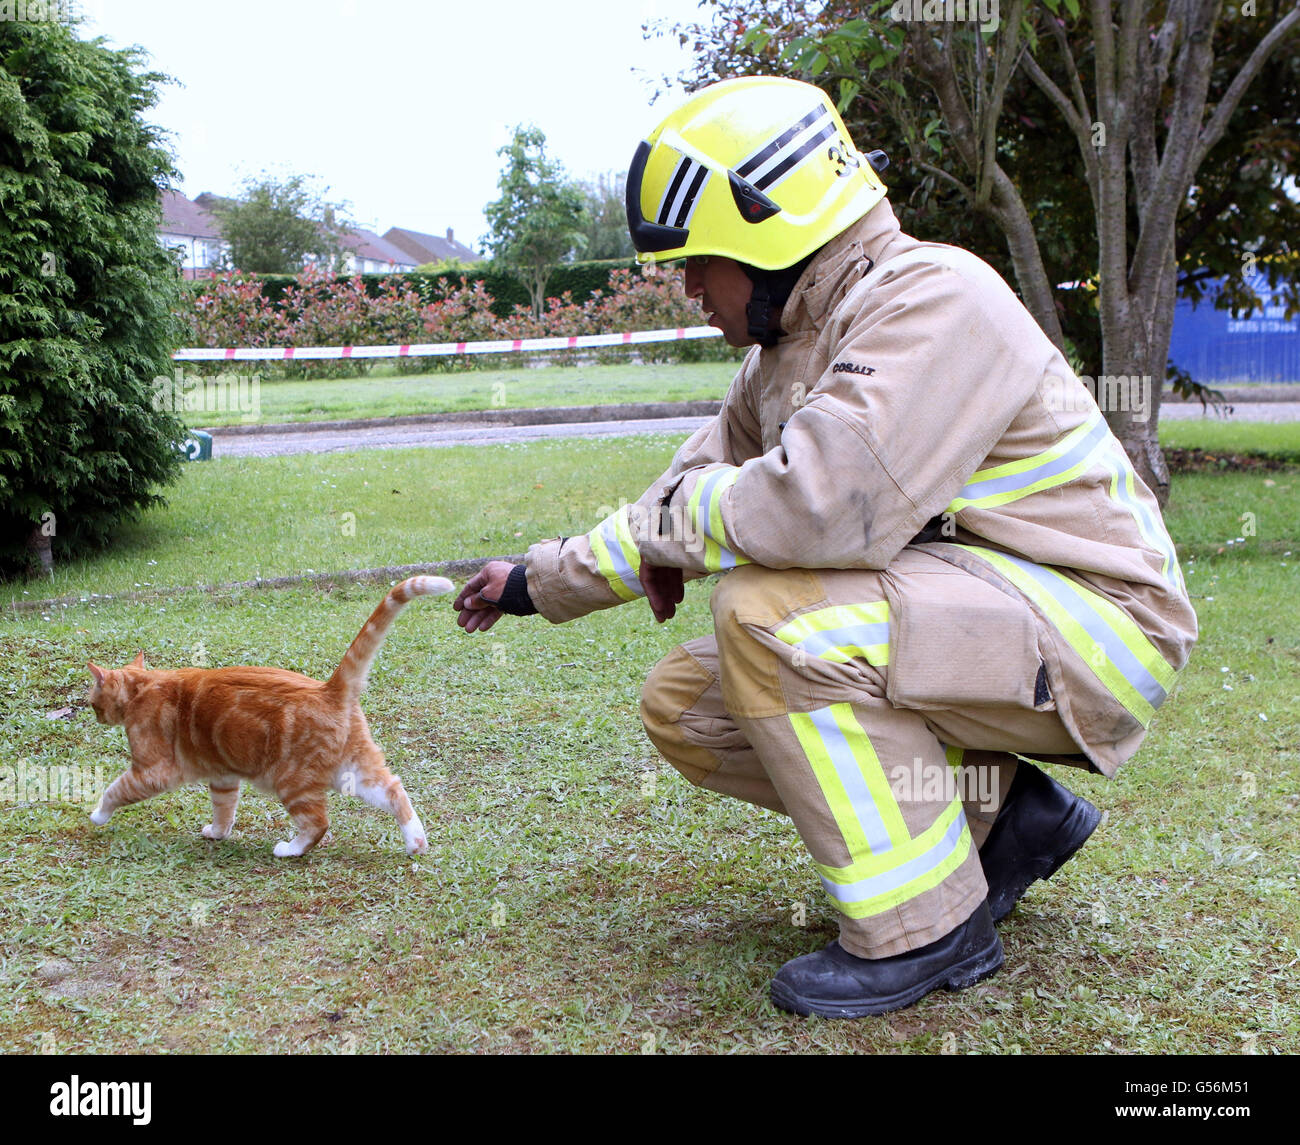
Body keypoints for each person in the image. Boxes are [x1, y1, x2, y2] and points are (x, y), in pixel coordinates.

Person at [454, 76, 1198, 1018]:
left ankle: (927, 928)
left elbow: (820, 507)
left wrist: (697, 523)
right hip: (988, 618)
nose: (688, 288)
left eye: (699, 260)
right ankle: (1001, 817)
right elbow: (674, 503)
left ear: (770, 230)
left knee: (769, 614)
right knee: (687, 702)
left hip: (1100, 628)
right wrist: (535, 579)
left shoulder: (936, 299)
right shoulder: (786, 352)